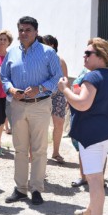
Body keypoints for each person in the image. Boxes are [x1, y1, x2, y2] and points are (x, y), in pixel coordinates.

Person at [58, 38, 108, 215]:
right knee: (97, 177)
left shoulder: (93, 77)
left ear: (101, 57)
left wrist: (65, 89)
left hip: (93, 136)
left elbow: (82, 104)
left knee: (94, 180)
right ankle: (90, 211)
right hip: (107, 132)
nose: (84, 56)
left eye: (88, 54)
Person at [0, 16, 62, 205]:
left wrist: (40, 88)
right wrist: (10, 89)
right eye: (21, 30)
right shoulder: (11, 53)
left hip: (40, 105)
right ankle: (20, 189)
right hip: (18, 106)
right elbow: (4, 76)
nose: (24, 33)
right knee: (19, 149)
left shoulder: (48, 52)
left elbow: (57, 78)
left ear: (36, 32)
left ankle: (36, 189)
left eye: (28, 30)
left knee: (39, 150)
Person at [43, 35, 68, 163]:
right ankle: (40, 153)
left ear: (53, 46)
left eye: (46, 43)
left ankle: (56, 152)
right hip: (43, 94)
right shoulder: (40, 60)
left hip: (58, 94)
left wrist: (68, 96)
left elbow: (65, 80)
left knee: (59, 123)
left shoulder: (60, 60)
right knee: (41, 125)